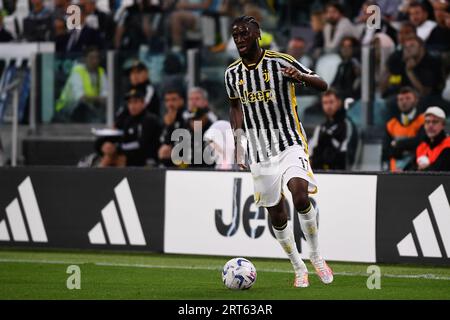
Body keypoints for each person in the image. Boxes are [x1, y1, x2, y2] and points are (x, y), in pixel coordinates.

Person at [225, 15, 332, 288]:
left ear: (257, 34)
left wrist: (302, 77)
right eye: (235, 35)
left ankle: (317, 256)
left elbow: (323, 84)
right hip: (260, 151)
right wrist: (238, 143)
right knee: (277, 214)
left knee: (299, 195)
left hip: (290, 142)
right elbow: (235, 108)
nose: (239, 39)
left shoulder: (280, 61)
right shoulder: (232, 74)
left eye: (244, 34)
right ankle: (298, 267)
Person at [100, 87, 162, 167]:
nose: (132, 106)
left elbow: (141, 144)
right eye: (129, 103)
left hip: (147, 157)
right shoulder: (128, 120)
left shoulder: (149, 119)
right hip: (132, 155)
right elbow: (123, 140)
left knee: (120, 158)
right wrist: (107, 146)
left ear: (143, 103)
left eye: (135, 102)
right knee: (108, 157)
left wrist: (118, 148)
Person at [55, 47, 108, 123]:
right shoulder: (77, 71)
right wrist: (99, 99)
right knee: (83, 107)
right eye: (91, 57)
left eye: (97, 58)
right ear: (85, 59)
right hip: (67, 108)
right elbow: (80, 97)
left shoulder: (101, 71)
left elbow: (106, 93)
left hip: (90, 107)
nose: (94, 61)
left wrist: (102, 99)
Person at [309, 89, 358, 170]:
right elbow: (311, 153)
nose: (328, 106)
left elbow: (347, 155)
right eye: (325, 103)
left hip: (343, 174)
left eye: (331, 102)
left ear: (339, 102)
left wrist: (330, 141)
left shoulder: (347, 125)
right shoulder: (320, 128)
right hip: (321, 174)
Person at [382, 87, 425, 172]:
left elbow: (421, 142)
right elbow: (386, 150)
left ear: (416, 100)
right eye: (400, 99)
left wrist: (398, 144)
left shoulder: (423, 121)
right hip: (394, 170)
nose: (404, 102)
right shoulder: (391, 124)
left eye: (408, 98)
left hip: (416, 169)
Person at [158, 89, 187, 167]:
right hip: (166, 164)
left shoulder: (187, 119)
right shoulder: (166, 119)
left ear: (182, 101)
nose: (170, 103)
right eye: (167, 100)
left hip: (185, 164)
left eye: (174, 99)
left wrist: (170, 126)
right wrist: (169, 126)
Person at [415, 106, 450, 171]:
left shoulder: (448, 146)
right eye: (427, 122)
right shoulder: (421, 147)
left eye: (435, 122)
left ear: (443, 125)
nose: (430, 125)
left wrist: (425, 168)